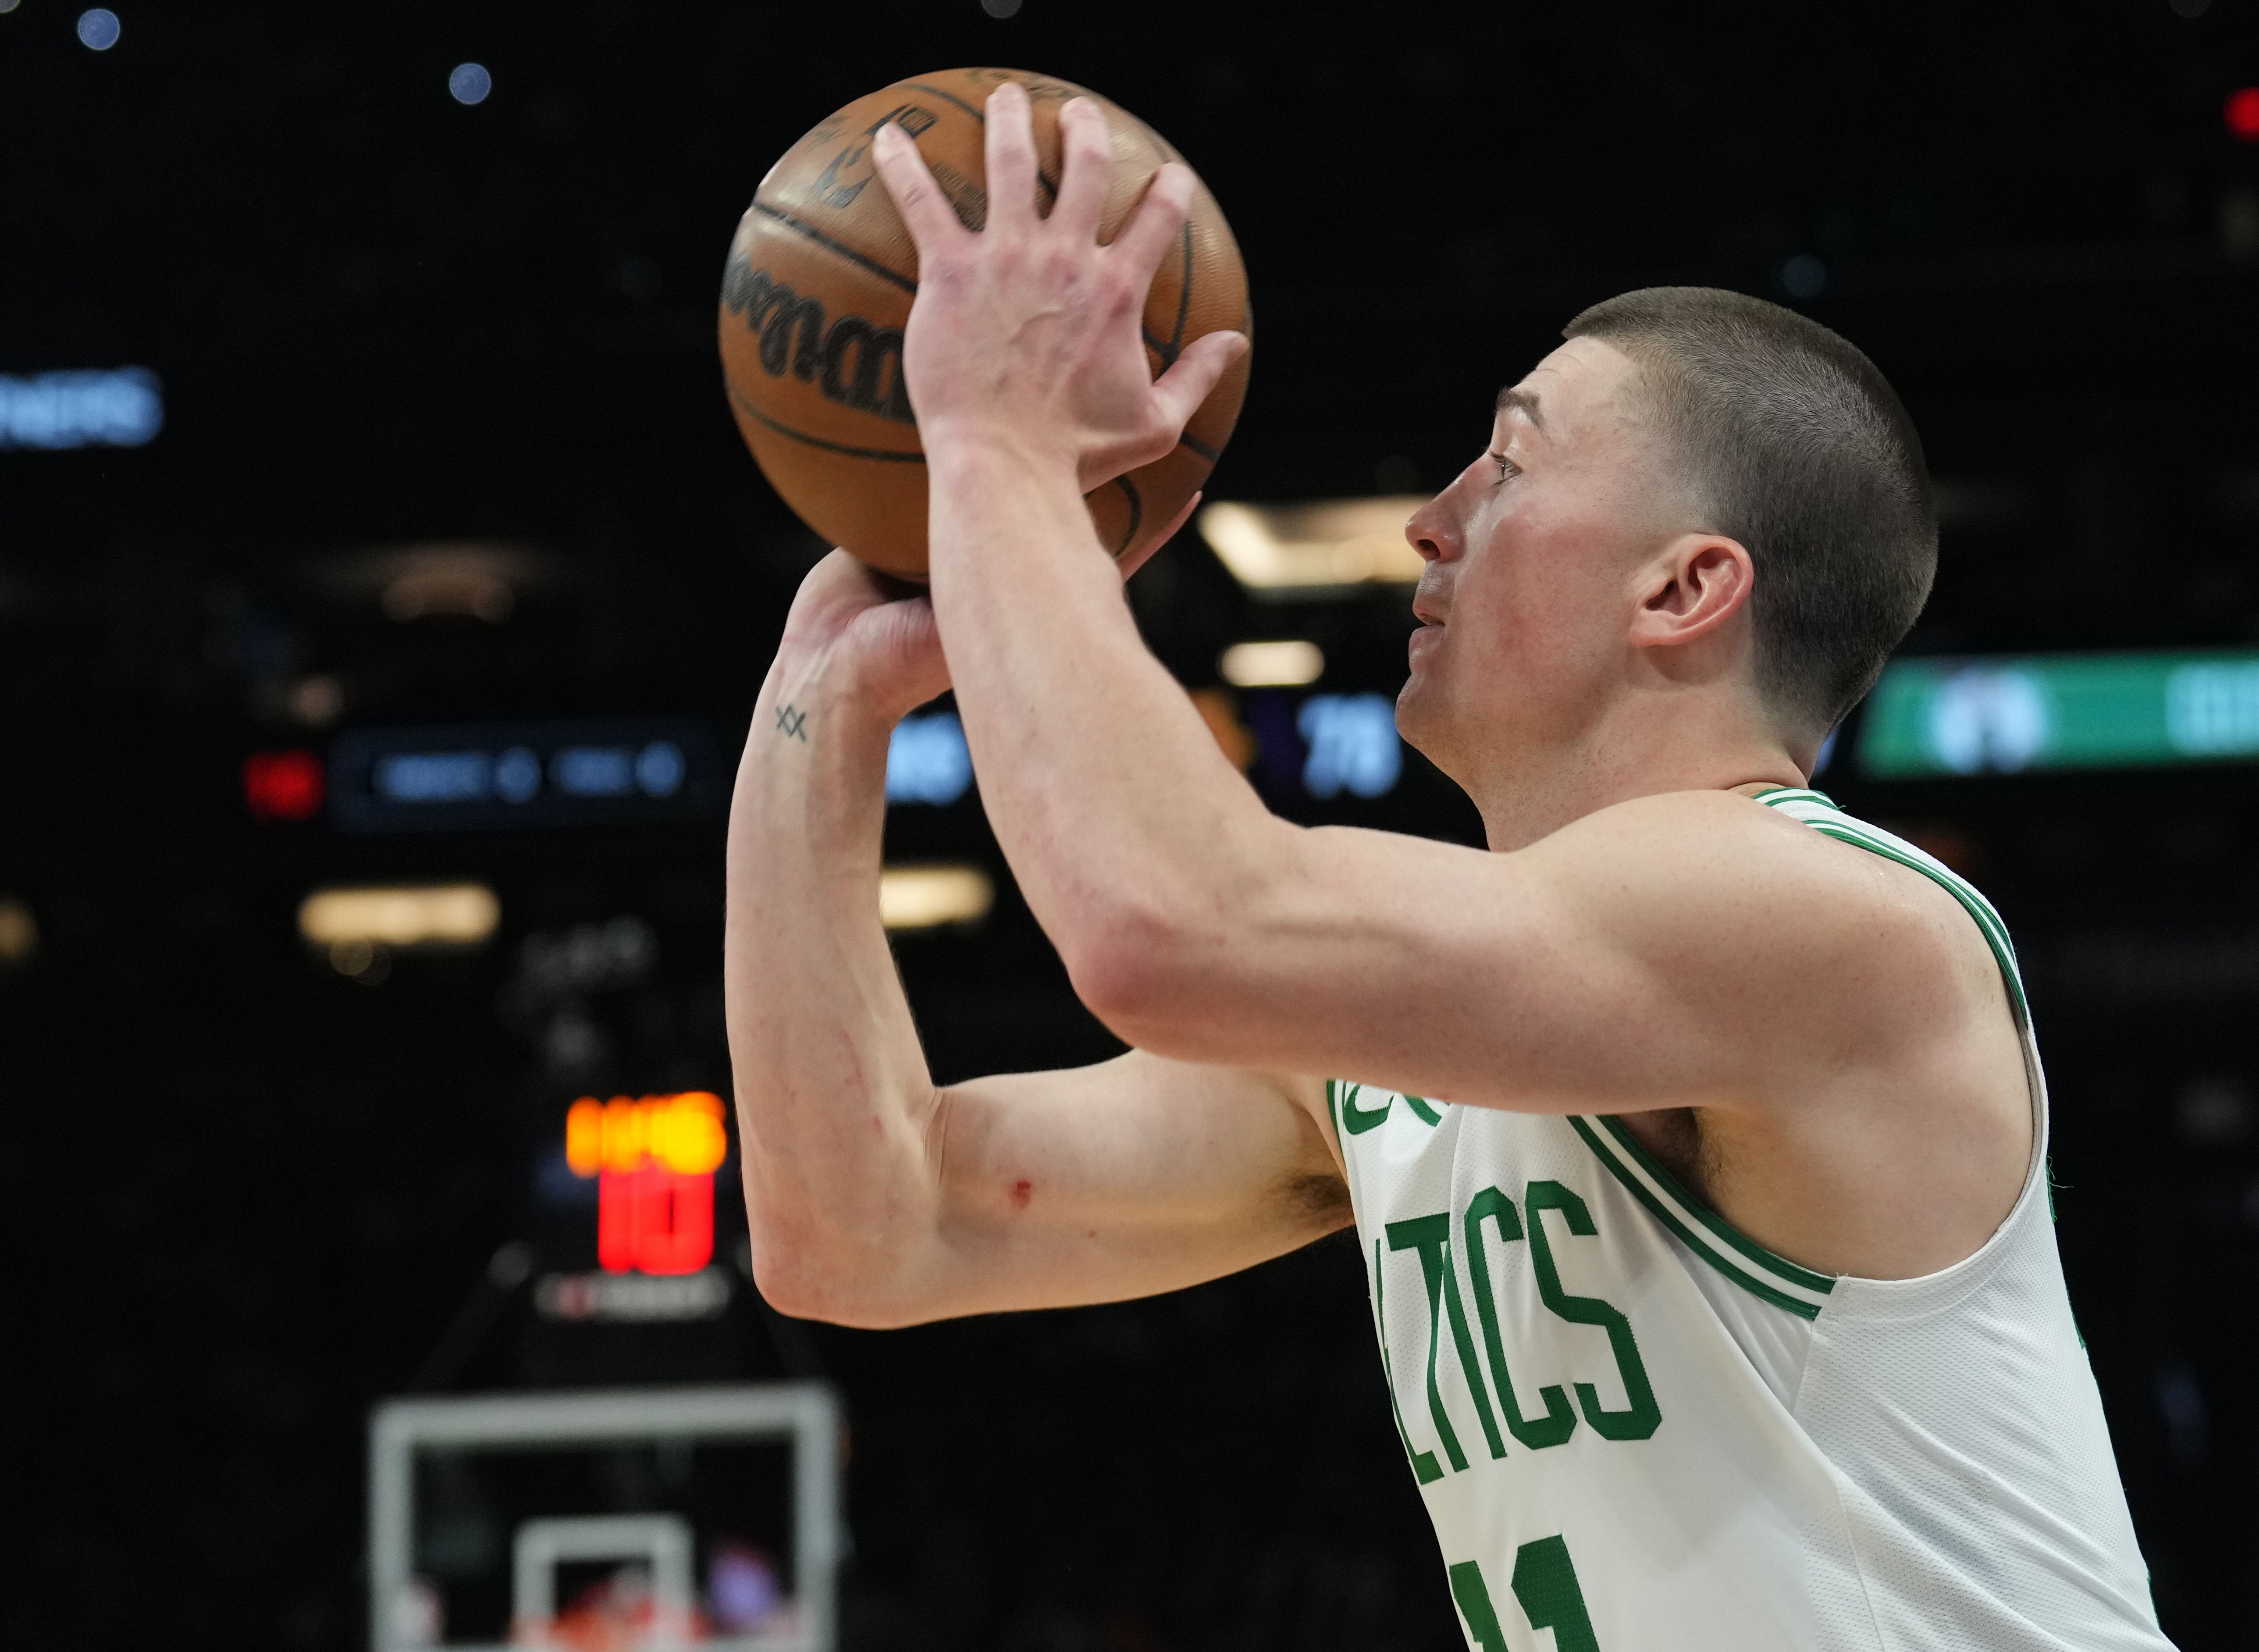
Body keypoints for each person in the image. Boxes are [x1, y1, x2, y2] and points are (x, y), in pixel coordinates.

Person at [725, 81, 2174, 1652]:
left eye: (1509, 464)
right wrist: (820, 702)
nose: (1429, 520)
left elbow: (1169, 929)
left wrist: (999, 453)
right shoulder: (1411, 1045)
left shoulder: (1832, 925)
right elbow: (866, 1233)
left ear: (1684, 588)